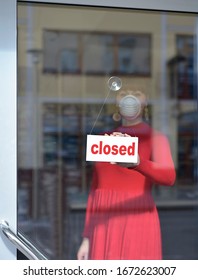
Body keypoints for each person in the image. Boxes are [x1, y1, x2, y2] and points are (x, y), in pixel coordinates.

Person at [77, 87, 176, 260]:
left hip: (136, 217)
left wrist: (138, 163)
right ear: (116, 102)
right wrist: (87, 237)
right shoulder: (104, 137)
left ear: (145, 103)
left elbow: (169, 177)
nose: (130, 98)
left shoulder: (155, 138)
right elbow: (95, 190)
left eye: (137, 93)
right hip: (103, 219)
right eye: (124, 94)